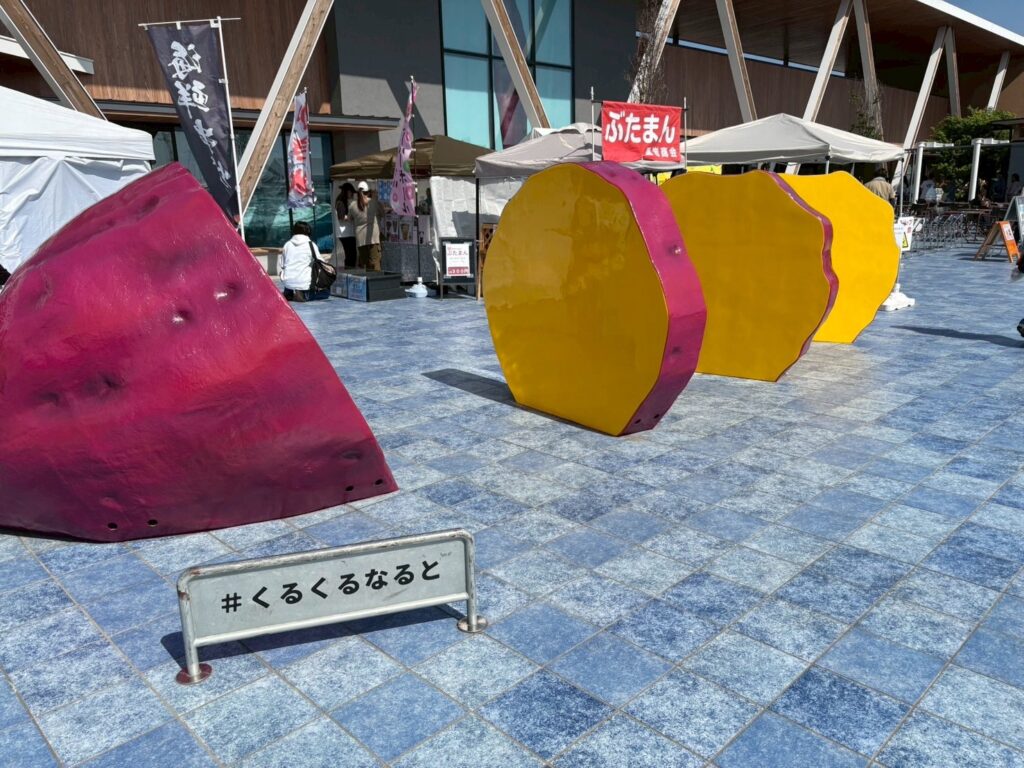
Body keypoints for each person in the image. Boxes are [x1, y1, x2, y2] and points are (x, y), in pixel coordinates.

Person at [279, 221, 330, 302]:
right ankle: (304, 295)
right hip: (303, 282)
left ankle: (289, 293)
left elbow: (282, 264)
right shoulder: (311, 244)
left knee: (290, 277)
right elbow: (321, 262)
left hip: (287, 281)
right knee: (326, 293)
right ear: (308, 231)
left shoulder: (287, 244)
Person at [349, 181, 383, 271]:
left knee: (365, 263)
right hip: (373, 236)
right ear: (368, 192)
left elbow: (350, 218)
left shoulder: (352, 205)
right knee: (375, 261)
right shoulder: (374, 202)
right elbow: (382, 213)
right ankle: (376, 279)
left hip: (360, 238)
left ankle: (368, 278)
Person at [335, 182, 358, 269]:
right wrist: (351, 217)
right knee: (351, 254)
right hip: (345, 233)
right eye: (351, 192)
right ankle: (349, 271)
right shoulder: (341, 202)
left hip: (346, 233)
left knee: (350, 254)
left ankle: (349, 270)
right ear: (347, 192)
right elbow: (341, 217)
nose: (352, 195)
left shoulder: (341, 201)